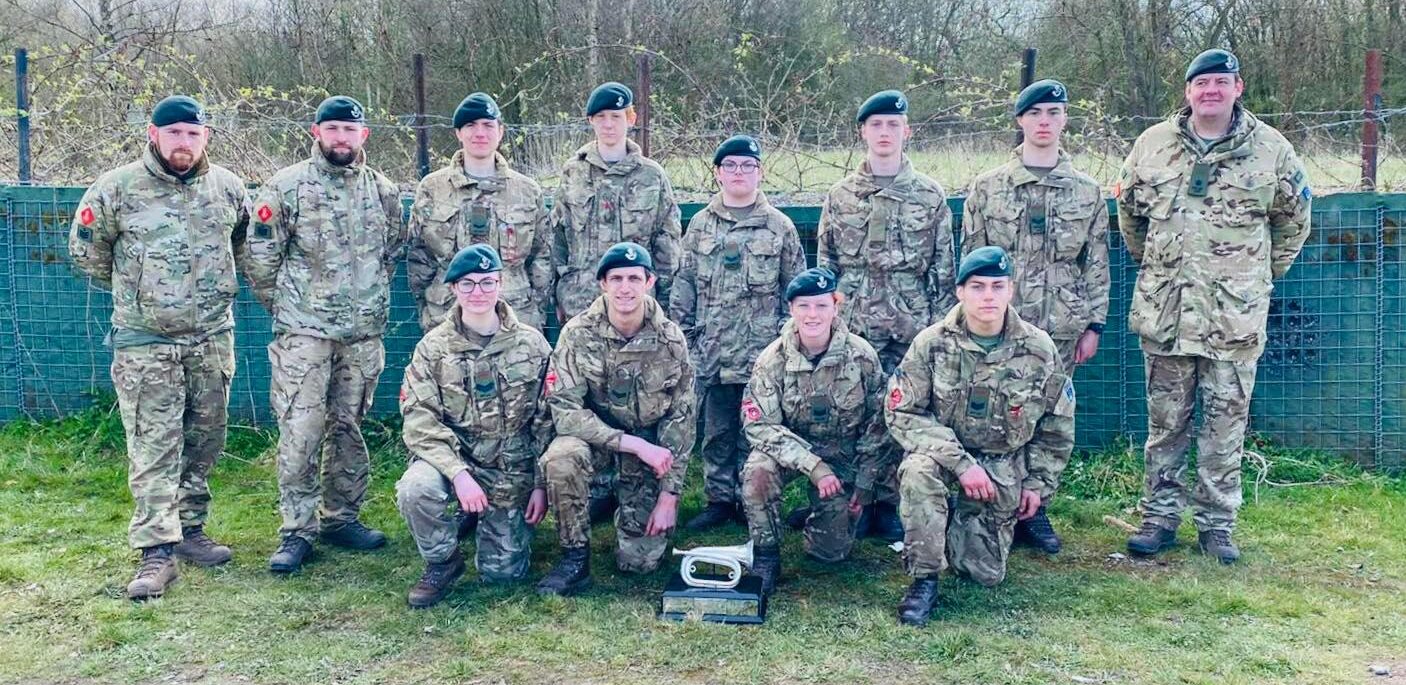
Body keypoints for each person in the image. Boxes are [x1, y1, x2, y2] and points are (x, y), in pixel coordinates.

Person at [1117, 49, 1311, 564]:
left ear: (1238, 88)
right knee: (1166, 425)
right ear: (1187, 91)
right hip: (1167, 313)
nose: (1210, 91)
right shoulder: (1153, 146)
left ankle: (1217, 524)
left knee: (1226, 426)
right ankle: (1159, 517)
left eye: (1220, 82)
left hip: (1233, 317)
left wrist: (1256, 277)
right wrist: (1161, 268)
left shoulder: (1271, 150)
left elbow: (1294, 221)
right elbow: (1131, 216)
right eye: (1201, 83)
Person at [68, 95, 249, 600]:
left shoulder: (228, 188)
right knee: (153, 445)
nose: (183, 143)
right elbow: (88, 253)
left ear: (205, 136)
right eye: (174, 134)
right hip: (146, 342)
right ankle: (155, 551)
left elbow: (242, 245)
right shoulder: (117, 188)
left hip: (212, 338)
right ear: (154, 134)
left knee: (205, 438)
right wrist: (143, 293)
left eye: (192, 134)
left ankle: (190, 532)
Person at [245, 95, 406, 573]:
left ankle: (342, 516)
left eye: (349, 130)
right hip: (305, 335)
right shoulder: (287, 187)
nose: (340, 137)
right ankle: (297, 529)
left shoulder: (384, 192)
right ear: (316, 132)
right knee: (301, 429)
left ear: (364, 136)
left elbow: (391, 251)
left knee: (349, 427)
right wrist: (293, 310)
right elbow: (259, 260)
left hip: (361, 336)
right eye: (331, 128)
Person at [886, 246, 1075, 626]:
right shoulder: (931, 343)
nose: (987, 296)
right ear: (960, 292)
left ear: (1010, 291)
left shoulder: (1039, 348)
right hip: (943, 458)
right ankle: (924, 580)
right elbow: (901, 411)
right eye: (977, 286)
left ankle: (981, 525)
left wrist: (1037, 484)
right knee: (917, 472)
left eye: (996, 286)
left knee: (982, 574)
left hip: (1001, 463)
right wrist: (961, 464)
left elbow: (1057, 425)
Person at [960, 79, 1110, 554]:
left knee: (1048, 416)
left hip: (1061, 327)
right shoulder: (987, 188)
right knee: (995, 414)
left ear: (1065, 120)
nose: (1045, 122)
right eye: (1036, 113)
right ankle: (988, 505)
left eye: (1054, 113)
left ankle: (1035, 505)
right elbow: (969, 259)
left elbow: (1097, 262)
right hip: (997, 326)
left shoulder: (1087, 193)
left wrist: (1094, 325)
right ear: (1020, 121)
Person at [811, 89, 956, 541]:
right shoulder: (840, 196)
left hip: (910, 326)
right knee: (848, 414)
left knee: (902, 412)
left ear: (907, 132)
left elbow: (943, 270)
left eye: (894, 125)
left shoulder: (930, 196)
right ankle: (844, 501)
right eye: (876, 125)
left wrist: (936, 331)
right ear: (863, 133)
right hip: (853, 324)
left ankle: (890, 502)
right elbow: (826, 266)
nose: (885, 132)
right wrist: (829, 327)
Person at [551, 81, 683, 525]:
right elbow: (557, 236)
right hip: (583, 308)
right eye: (601, 118)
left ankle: (637, 482)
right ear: (591, 123)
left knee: (637, 397)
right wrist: (562, 288)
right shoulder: (572, 172)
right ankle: (599, 486)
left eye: (618, 117)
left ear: (631, 121)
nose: (609, 125)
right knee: (590, 396)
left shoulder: (652, 175)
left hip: (635, 312)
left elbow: (667, 238)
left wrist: (652, 293)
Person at [396, 245, 553, 607]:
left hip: (510, 469)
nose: (478, 293)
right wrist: (457, 473)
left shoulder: (531, 345)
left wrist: (541, 485)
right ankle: (442, 561)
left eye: (487, 283)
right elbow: (419, 419)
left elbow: (548, 420)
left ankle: (483, 518)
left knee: (502, 575)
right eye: (467, 284)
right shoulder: (432, 349)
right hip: (455, 460)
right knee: (415, 489)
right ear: (453, 289)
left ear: (501, 284)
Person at [535, 242, 696, 596]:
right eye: (617, 278)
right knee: (562, 458)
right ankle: (574, 557)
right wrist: (630, 444)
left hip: (651, 452)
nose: (626, 288)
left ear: (649, 282)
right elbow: (564, 411)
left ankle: (620, 501)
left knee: (640, 563)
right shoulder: (577, 334)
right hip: (597, 442)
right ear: (602, 284)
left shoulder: (670, 339)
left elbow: (681, 419)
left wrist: (670, 495)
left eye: (634, 278)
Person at [669, 134, 805, 530]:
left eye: (748, 165)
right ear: (718, 174)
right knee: (716, 431)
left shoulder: (779, 227)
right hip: (711, 350)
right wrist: (686, 338)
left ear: (760, 172)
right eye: (731, 166)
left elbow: (792, 288)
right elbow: (685, 284)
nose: (739, 172)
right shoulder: (699, 226)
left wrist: (783, 343)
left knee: (756, 430)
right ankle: (718, 499)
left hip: (760, 353)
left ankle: (752, 499)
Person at [738, 268, 888, 594]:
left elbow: (879, 424)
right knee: (757, 471)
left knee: (830, 553)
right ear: (791, 309)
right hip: (793, 452)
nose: (812, 314)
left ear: (836, 306)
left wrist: (864, 484)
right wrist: (814, 467)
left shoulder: (862, 356)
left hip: (843, 456)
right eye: (804, 306)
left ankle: (817, 515)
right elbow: (760, 425)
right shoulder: (771, 360)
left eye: (821, 305)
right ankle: (766, 553)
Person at [408, 92, 553, 331]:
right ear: (458, 133)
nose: (480, 133)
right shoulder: (433, 188)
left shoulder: (526, 191)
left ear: (501, 131)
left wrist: (536, 307)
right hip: (446, 317)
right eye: (470, 125)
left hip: (515, 317)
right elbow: (419, 255)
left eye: (488, 125)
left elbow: (542, 255)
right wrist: (427, 304)